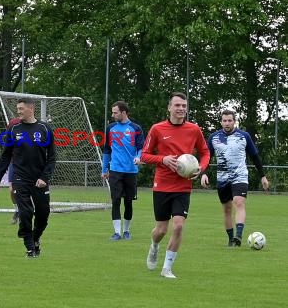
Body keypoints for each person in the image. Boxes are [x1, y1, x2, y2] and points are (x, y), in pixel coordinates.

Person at [141, 92, 210, 278]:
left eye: (184, 106)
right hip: (162, 184)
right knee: (161, 230)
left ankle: (167, 268)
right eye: (177, 105)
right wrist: (163, 159)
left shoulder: (194, 129)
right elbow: (144, 155)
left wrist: (201, 168)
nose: (181, 109)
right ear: (169, 107)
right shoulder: (157, 129)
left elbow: (205, 152)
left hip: (183, 186)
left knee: (178, 226)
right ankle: (154, 246)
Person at [0, 97, 56, 258]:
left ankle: (35, 238)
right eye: (18, 108)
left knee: (43, 213)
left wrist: (45, 178)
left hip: (40, 179)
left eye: (21, 108)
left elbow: (52, 157)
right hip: (20, 177)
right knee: (26, 212)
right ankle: (29, 247)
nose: (18, 111)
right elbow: (6, 155)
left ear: (31, 108)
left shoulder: (44, 128)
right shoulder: (14, 129)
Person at [200, 109, 269, 246]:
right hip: (222, 178)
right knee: (227, 209)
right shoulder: (214, 137)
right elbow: (206, 157)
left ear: (234, 121)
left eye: (229, 120)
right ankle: (231, 239)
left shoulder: (244, 136)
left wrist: (263, 176)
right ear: (221, 121)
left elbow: (254, 156)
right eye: (224, 120)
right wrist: (203, 173)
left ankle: (238, 235)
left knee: (239, 202)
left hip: (240, 176)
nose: (227, 123)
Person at [101, 101, 144, 241]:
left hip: (131, 171)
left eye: (115, 112)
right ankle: (117, 233)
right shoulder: (111, 128)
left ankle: (126, 231)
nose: (113, 115)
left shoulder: (136, 128)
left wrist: (138, 158)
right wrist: (104, 169)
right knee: (116, 200)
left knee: (128, 202)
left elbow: (140, 148)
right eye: (112, 112)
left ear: (124, 112)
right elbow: (107, 150)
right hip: (115, 170)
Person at [6, 116, 22, 224]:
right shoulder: (13, 123)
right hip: (14, 161)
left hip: (28, 163)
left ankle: (24, 212)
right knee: (12, 189)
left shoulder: (35, 124)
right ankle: (17, 210)